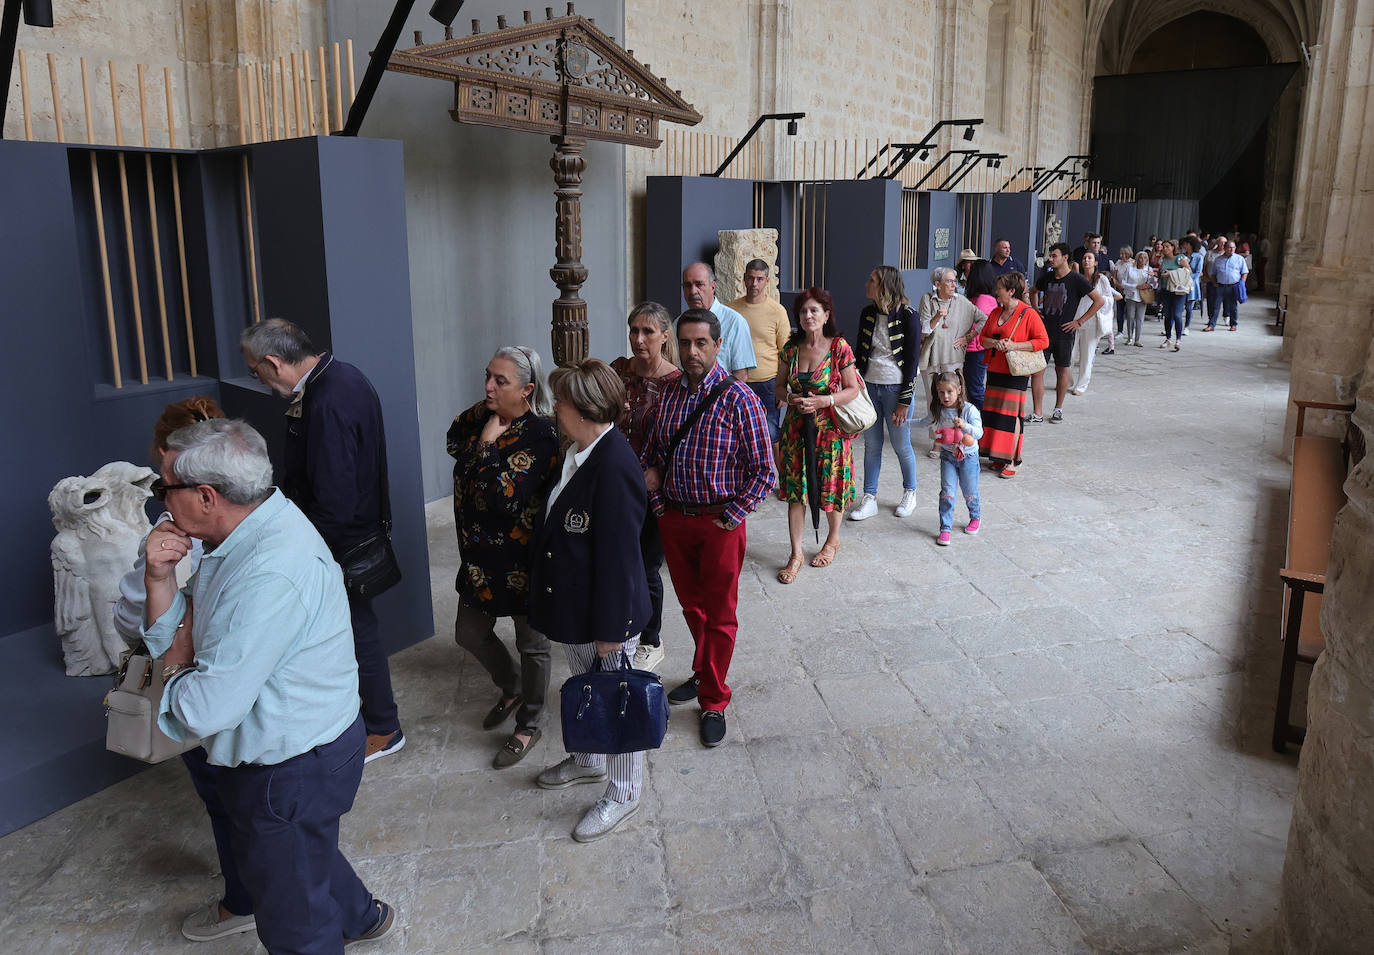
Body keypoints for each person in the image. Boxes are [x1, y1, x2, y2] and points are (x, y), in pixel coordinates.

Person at [141, 418, 395, 952]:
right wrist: (162, 582)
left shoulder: (266, 570)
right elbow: (187, 631)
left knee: (295, 924)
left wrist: (175, 667)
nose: (161, 501)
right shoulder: (253, 525)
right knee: (306, 852)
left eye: (165, 487)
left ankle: (347, 920)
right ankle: (361, 917)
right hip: (310, 751)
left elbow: (205, 707)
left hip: (288, 770)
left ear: (207, 496)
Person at [114, 396, 263, 945]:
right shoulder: (258, 520)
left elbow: (133, 617)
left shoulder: (172, 536)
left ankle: (244, 898)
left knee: (228, 800)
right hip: (249, 693)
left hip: (205, 688)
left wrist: (155, 579)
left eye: (162, 482)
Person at [239, 319, 405, 763]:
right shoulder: (343, 375)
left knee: (358, 633)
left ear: (274, 363)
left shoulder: (327, 399)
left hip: (340, 542)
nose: (258, 378)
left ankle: (384, 728)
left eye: (256, 370)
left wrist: (305, 551)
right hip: (350, 532)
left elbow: (335, 495)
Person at [529, 359, 652, 843]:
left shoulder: (615, 466)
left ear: (581, 410)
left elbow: (622, 559)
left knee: (619, 700)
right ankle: (588, 760)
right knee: (586, 686)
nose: (554, 407)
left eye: (559, 401)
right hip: (578, 609)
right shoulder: (579, 451)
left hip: (607, 618)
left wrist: (611, 631)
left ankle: (624, 792)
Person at [642, 308, 775, 748]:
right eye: (685, 343)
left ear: (718, 345)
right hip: (675, 520)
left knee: (719, 615)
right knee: (692, 607)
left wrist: (731, 517)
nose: (692, 351)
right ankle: (703, 672)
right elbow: (652, 457)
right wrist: (660, 507)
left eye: (701, 343)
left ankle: (714, 699)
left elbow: (764, 472)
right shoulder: (669, 396)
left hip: (719, 522)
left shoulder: (740, 398)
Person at [446, 346, 561, 769]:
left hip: (522, 564)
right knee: (469, 633)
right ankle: (510, 686)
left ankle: (529, 722)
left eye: (500, 381)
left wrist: (488, 447)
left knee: (532, 644)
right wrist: (489, 415)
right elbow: (453, 437)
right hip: (477, 559)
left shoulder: (543, 436)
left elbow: (503, 499)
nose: (487, 387)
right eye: (487, 376)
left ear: (528, 390)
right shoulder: (484, 417)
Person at [775, 286, 863, 583]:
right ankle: (796, 553)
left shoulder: (839, 347)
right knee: (796, 493)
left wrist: (824, 401)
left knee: (831, 486)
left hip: (830, 432)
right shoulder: (790, 348)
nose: (808, 315)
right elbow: (777, 387)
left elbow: (852, 389)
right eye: (803, 311)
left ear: (826, 315)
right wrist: (791, 399)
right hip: (797, 430)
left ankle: (833, 538)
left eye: (814, 310)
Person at [610, 304, 680, 675]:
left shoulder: (677, 382)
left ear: (665, 336)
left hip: (652, 491)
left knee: (646, 566)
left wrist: (661, 471)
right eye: (633, 330)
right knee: (616, 561)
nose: (638, 339)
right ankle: (619, 626)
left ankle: (651, 640)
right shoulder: (618, 370)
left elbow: (682, 441)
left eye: (648, 332)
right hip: (613, 484)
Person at [850, 266, 921, 522]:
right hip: (869, 387)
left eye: (872, 280)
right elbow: (860, 354)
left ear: (885, 286)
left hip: (895, 388)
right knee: (871, 445)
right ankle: (869, 498)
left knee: (901, 445)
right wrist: (855, 389)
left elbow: (913, 362)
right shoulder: (867, 313)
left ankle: (910, 492)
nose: (867, 283)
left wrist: (904, 401)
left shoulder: (909, 316)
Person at [979, 272, 1049, 479]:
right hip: (994, 368)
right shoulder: (995, 312)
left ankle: (1013, 459)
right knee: (995, 414)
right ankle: (998, 455)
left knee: (1011, 416)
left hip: (1015, 371)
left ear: (1011, 291)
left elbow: (1042, 341)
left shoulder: (1028, 314)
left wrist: (1014, 345)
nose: (996, 291)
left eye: (999, 288)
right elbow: (983, 338)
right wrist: (995, 343)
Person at [1029, 243, 1103, 422]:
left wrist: (1079, 321)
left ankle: (1058, 409)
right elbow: (1032, 291)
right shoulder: (1046, 277)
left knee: (1062, 370)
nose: (1051, 259)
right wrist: (1035, 311)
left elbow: (1099, 301)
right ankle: (1037, 412)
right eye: (1050, 256)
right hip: (1044, 332)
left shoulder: (1076, 279)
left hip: (1064, 332)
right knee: (1037, 371)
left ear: (1065, 257)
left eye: (1054, 256)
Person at [728, 258, 791, 451]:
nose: (754, 283)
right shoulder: (731, 309)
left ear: (767, 281)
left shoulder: (777, 311)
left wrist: (784, 387)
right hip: (737, 381)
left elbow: (786, 352)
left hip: (768, 383)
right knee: (736, 433)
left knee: (770, 434)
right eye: (751, 278)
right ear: (744, 279)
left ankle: (774, 479)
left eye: (759, 279)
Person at [917, 267, 981, 449]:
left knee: (956, 400)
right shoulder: (927, 300)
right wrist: (937, 316)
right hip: (932, 357)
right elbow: (924, 330)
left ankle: (959, 438)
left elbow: (984, 318)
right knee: (934, 400)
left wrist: (968, 338)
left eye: (955, 281)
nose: (954, 285)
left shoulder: (961, 301)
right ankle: (937, 441)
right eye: (949, 281)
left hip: (953, 357)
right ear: (937, 284)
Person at [927, 370, 982, 546]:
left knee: (970, 492)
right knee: (947, 494)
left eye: (949, 392)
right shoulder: (938, 409)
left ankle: (975, 517)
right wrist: (904, 422)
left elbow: (979, 433)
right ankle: (945, 528)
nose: (945, 396)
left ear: (959, 390)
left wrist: (965, 426)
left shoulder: (969, 410)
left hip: (969, 457)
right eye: (941, 392)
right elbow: (924, 421)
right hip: (948, 456)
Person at [681, 262, 756, 379]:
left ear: (713, 287)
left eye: (699, 284)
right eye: (687, 285)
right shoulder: (677, 324)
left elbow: (741, 375)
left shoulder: (735, 322)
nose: (693, 291)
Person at [1070, 251, 1121, 395]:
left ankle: (1081, 386)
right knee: (1070, 354)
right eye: (1084, 258)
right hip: (1075, 319)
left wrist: (1098, 301)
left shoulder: (1101, 279)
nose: (1086, 260)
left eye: (1089, 258)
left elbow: (1109, 299)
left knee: (1087, 355)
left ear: (1096, 262)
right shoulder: (1077, 278)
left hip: (1092, 320)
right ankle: (1067, 381)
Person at [961, 259, 997, 409]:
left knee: (975, 390)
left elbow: (977, 326)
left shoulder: (983, 299)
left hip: (976, 350)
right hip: (974, 349)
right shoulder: (979, 297)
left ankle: (982, 423)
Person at [1208, 239, 1249, 331]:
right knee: (1215, 306)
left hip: (1233, 286)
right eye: (1229, 247)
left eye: (1233, 247)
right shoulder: (1218, 260)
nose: (1232, 249)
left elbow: (1245, 272)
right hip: (1220, 286)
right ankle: (1211, 325)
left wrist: (1242, 283)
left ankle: (1233, 324)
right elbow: (1213, 273)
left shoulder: (1239, 259)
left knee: (1233, 307)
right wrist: (1214, 283)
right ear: (1225, 248)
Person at [1157, 239, 1191, 351]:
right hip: (1166, 290)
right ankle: (1168, 338)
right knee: (1167, 315)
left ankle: (1178, 340)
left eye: (1167, 246)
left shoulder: (1179, 258)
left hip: (1178, 291)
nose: (1165, 249)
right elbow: (1160, 273)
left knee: (1177, 314)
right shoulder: (1162, 260)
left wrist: (1171, 273)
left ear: (1173, 247)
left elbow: (1188, 271)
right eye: (1163, 247)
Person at [1116, 250, 1153, 347]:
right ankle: (1130, 338)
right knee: (1130, 317)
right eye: (1141, 257)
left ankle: (1137, 339)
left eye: (1145, 258)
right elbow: (1124, 283)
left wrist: (1150, 284)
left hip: (1143, 296)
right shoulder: (1130, 268)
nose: (1142, 260)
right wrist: (1136, 286)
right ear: (1137, 258)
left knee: (1140, 318)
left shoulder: (1149, 269)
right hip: (1131, 295)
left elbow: (1154, 284)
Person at [1183, 236, 1205, 333]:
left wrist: (1188, 277)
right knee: (1178, 306)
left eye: (1186, 244)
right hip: (1181, 283)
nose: (1184, 245)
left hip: (1192, 284)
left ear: (1191, 245)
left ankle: (1186, 327)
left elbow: (1198, 272)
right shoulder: (1182, 255)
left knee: (1188, 307)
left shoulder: (1199, 257)